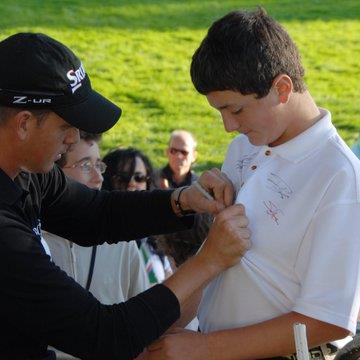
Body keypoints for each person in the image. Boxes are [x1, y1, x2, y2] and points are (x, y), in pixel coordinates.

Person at [0, 33, 251, 360]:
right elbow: (103, 335)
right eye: (66, 126)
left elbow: (96, 213)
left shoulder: (24, 173)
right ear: (23, 124)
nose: (74, 138)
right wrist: (209, 261)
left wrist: (182, 200)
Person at [146, 8, 360, 360]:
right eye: (220, 112)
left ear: (282, 88)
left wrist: (203, 348)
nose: (228, 126)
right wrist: (164, 327)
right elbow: (222, 260)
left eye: (236, 110)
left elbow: (330, 319)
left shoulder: (339, 178)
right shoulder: (246, 146)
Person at [45, 133, 149, 304]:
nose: (99, 177)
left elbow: (143, 311)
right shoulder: (31, 236)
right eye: (85, 165)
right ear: (54, 174)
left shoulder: (121, 239)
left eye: (98, 165)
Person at [102, 147, 172, 284]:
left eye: (139, 178)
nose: (132, 184)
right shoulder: (100, 239)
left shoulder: (156, 234)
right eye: (123, 178)